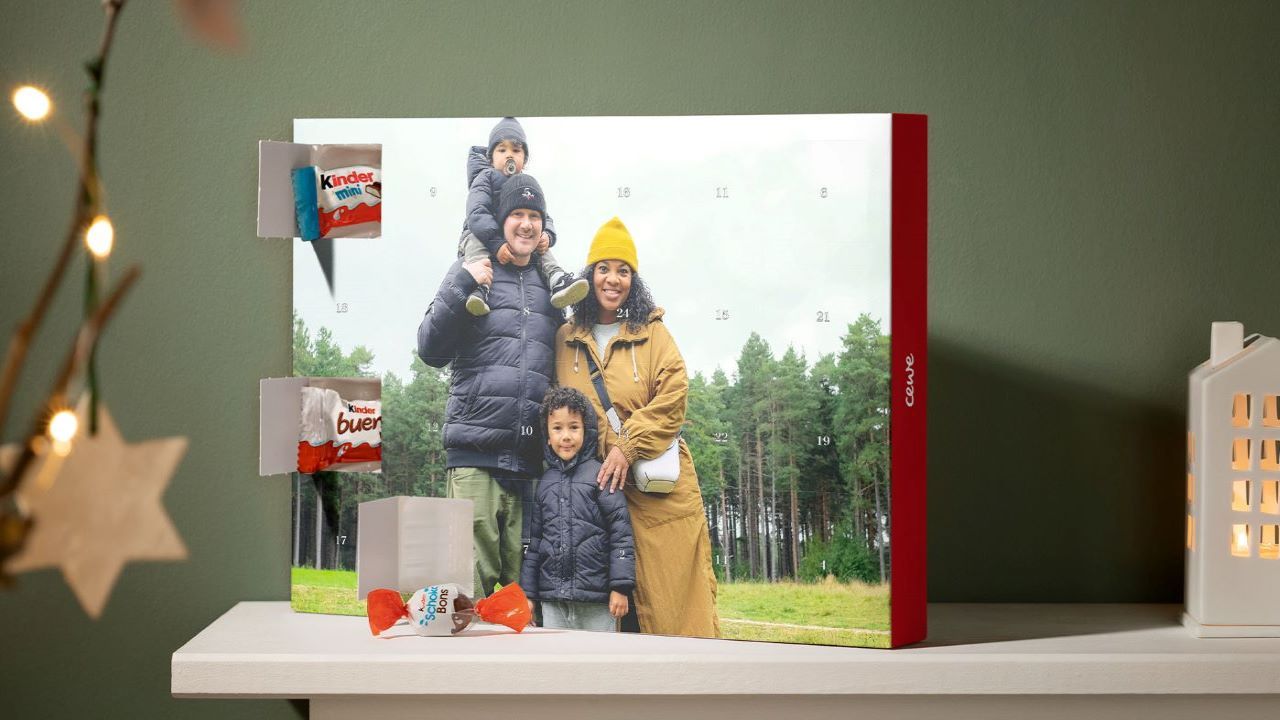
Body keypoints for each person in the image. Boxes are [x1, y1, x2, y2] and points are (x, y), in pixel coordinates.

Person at [553, 217, 720, 638]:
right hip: (595, 498)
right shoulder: (564, 338)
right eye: (603, 268)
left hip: (657, 495)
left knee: (675, 610)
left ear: (634, 279)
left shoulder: (653, 333)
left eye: (623, 270)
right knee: (606, 612)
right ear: (588, 275)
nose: (613, 279)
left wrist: (626, 446)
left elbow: (673, 396)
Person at [417, 173, 562, 598]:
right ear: (500, 222)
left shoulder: (552, 287)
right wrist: (462, 283)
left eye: (534, 216)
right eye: (517, 214)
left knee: (525, 606)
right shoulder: (471, 269)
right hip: (474, 459)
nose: (526, 224)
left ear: (544, 226)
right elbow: (429, 348)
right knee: (465, 597)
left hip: (532, 469)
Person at [520, 386, 635, 631]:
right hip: (553, 602)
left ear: (587, 431)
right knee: (558, 665)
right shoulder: (544, 483)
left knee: (597, 664)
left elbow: (621, 534)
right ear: (547, 435)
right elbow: (534, 543)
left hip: (597, 602)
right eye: (557, 428)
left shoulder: (601, 474)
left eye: (574, 427)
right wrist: (528, 595)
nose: (566, 436)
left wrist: (620, 587)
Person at [458, 117, 588, 316]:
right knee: (475, 244)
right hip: (482, 234)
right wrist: (496, 243)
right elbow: (477, 212)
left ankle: (557, 279)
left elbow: (544, 216)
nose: (509, 155)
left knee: (537, 239)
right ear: (490, 158)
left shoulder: (525, 184)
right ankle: (480, 287)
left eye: (516, 150)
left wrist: (547, 234)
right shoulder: (486, 179)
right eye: (502, 150)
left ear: (524, 160)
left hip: (517, 238)